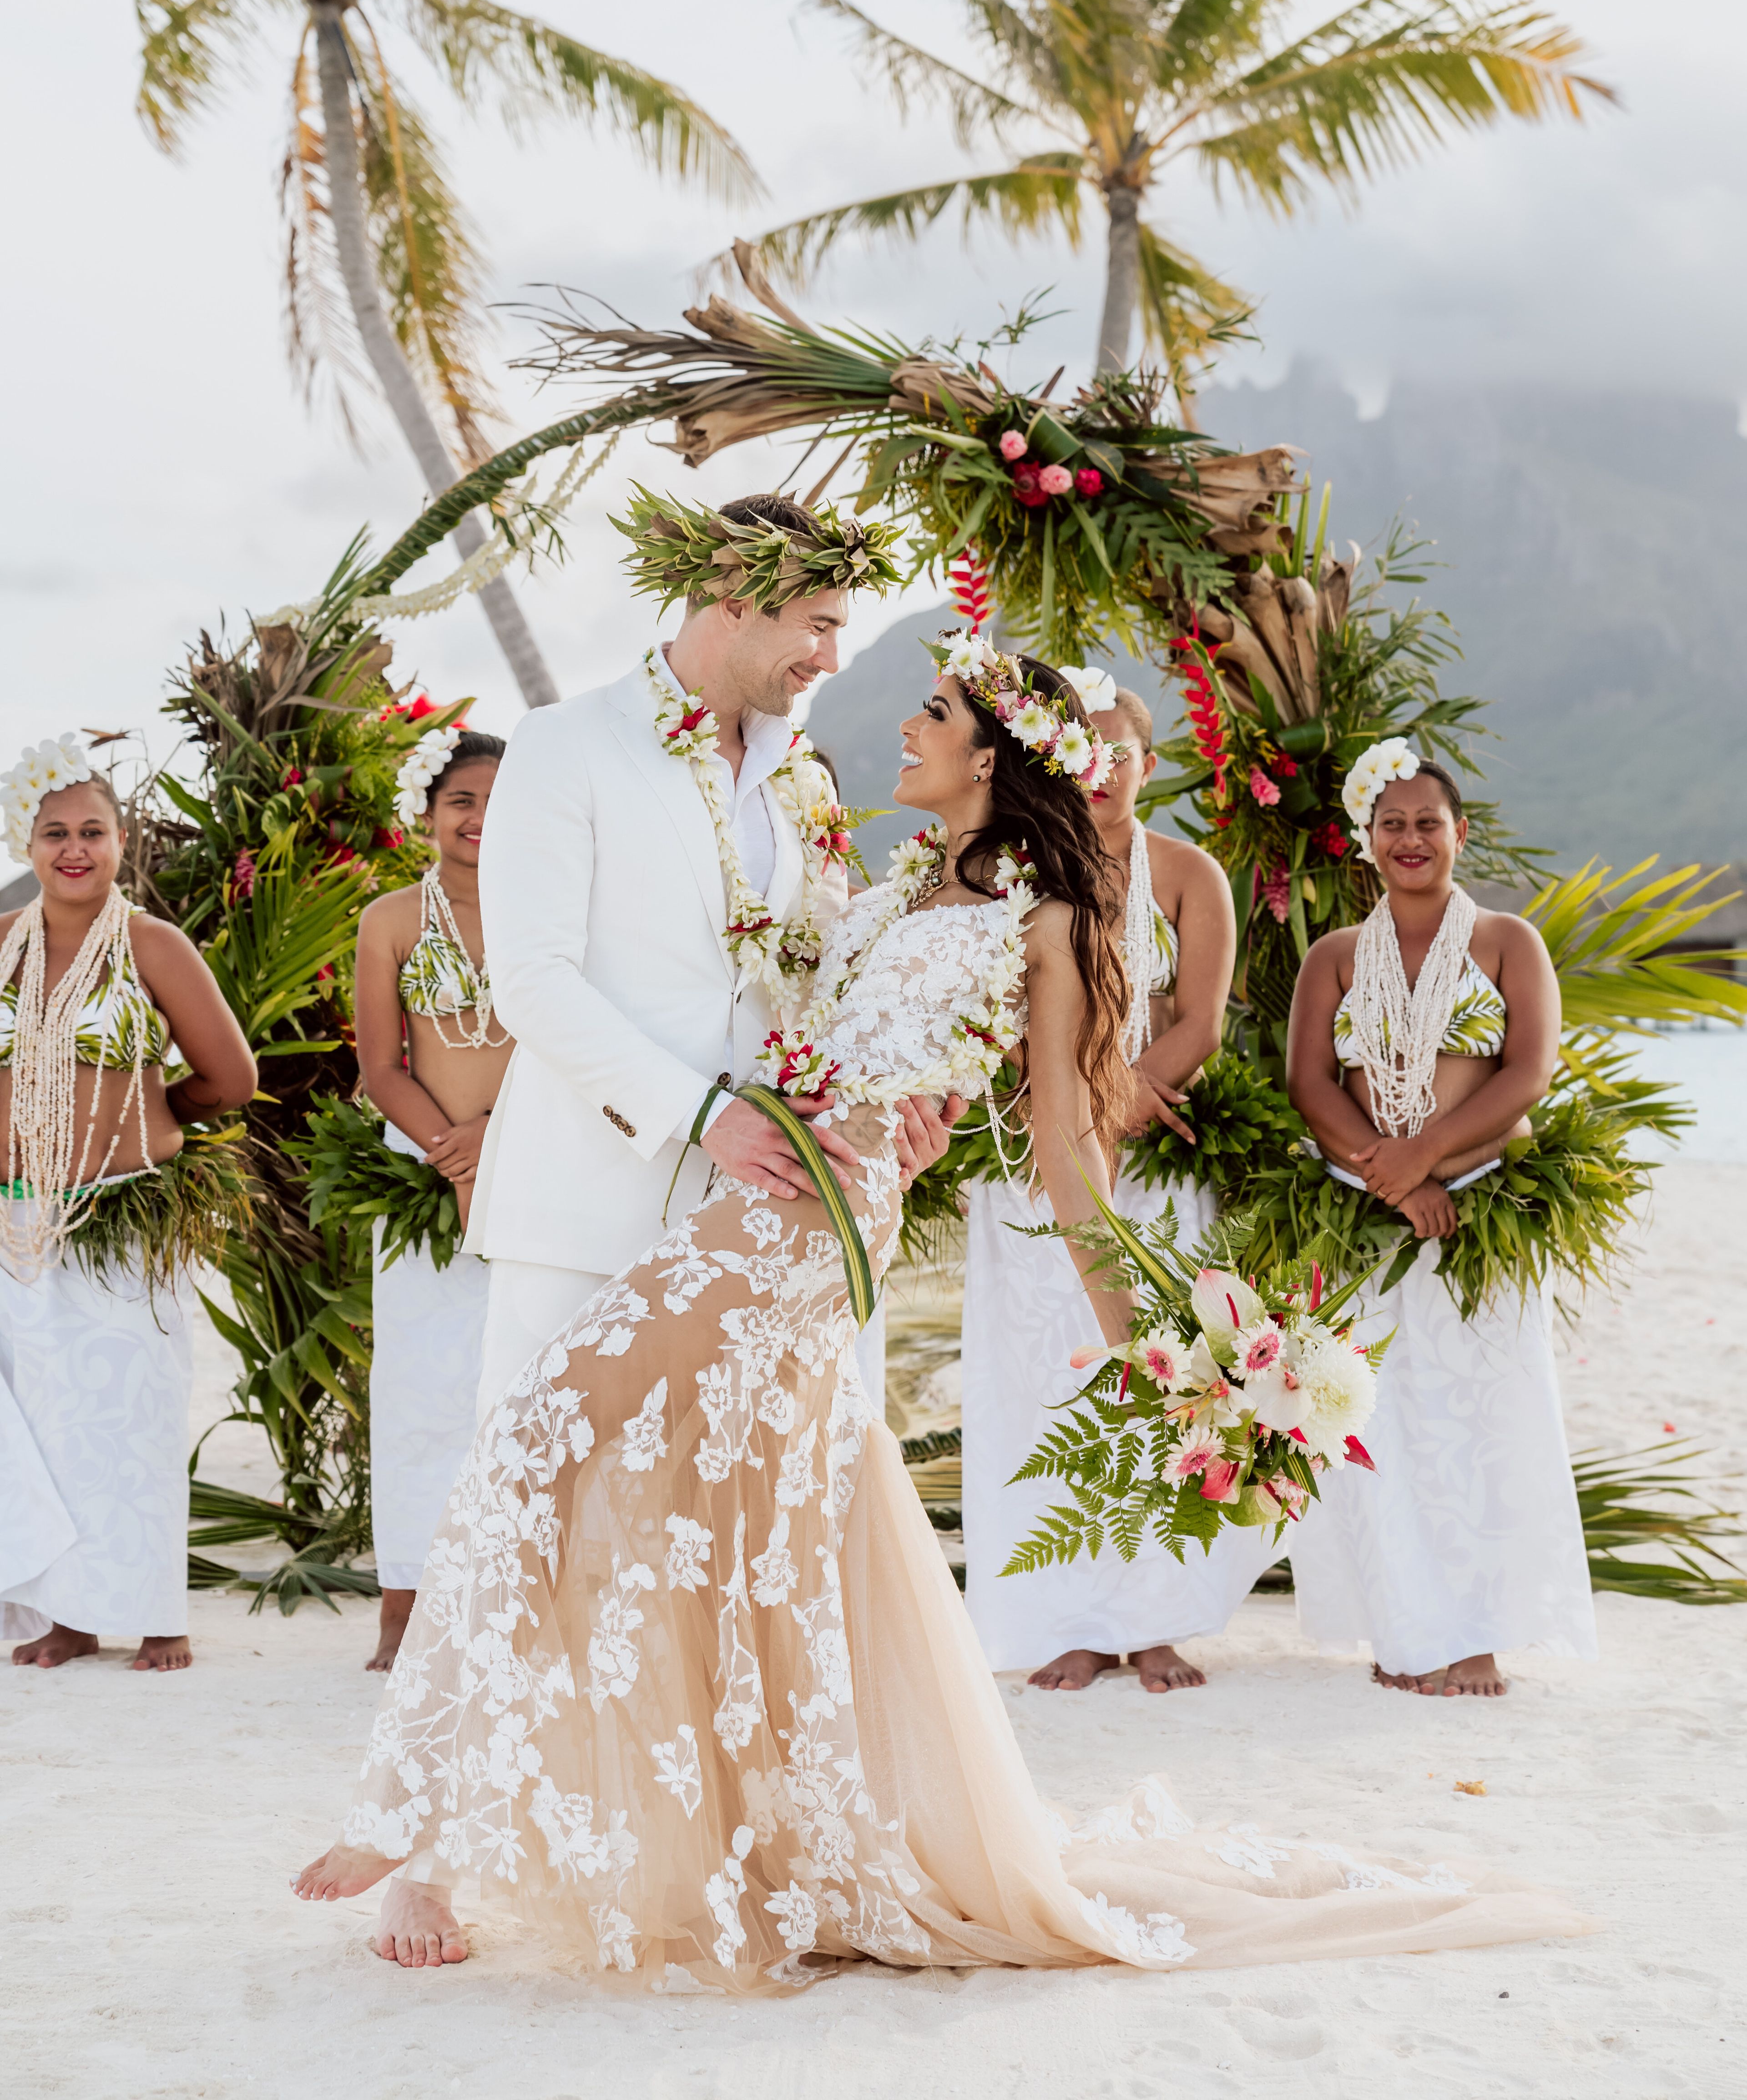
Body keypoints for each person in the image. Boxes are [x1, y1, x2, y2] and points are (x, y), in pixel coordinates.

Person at [293, 619, 1584, 1983]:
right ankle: (695, 1837)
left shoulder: (1053, 924)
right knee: (710, 1518)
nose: (904, 730)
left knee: (543, 1428)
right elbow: (781, 1020)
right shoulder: (902, 884)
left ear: (996, 758)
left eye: (936, 715)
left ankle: (410, 1817)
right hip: (755, 1197)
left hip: (807, 1229)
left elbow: (1072, 1162)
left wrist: (1168, 1360)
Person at [325, 489, 954, 1963]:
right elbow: (534, 979)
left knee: (739, 1533)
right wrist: (695, 1114)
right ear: (730, 596)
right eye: (814, 624)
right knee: (524, 1513)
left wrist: (891, 1106)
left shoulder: (802, 781)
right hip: (587, 1205)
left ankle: (747, 1840)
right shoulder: (569, 748)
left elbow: (817, 984)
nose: (827, 655)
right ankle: (432, 1851)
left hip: (766, 1217)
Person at [962, 673, 1276, 1693]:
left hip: (1153, 1153)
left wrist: (1132, 1091)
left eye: (1120, 752)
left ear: (1149, 761)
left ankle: (1154, 1619)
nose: (1101, 771)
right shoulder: (1014, 869)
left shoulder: (1188, 874)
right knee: (1045, 1382)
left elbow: (1202, 1016)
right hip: (1037, 1157)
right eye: (1077, 755)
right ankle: (1067, 1618)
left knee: (1150, 1373)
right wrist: (1071, 1099)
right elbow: (987, 1014)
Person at [1283, 743, 1594, 1697]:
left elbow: (1527, 1072)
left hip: (1479, 1211)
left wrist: (1431, 1158)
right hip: (1364, 1213)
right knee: (1383, 1422)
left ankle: (1476, 1638)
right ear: (1367, 843)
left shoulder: (1506, 941)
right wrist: (1393, 1176)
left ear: (1461, 834)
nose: (1411, 839)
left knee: (1485, 1420)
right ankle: (1407, 1627)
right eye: (1393, 824)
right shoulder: (1334, 957)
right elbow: (1308, 1083)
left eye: (1429, 823)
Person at [0, 744, 256, 1671]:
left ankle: (158, 1617)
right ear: (26, 843)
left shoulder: (152, 945)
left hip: (121, 1213)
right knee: (44, 1419)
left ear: (121, 843)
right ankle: (67, 1614)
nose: (76, 850)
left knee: (133, 1417)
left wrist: (154, 1118)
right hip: (17, 1223)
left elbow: (230, 1077)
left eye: (93, 833)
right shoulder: (2, 942)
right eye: (56, 833)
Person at [353, 729, 507, 1673]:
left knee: (526, 1378)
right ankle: (405, 1604)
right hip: (421, 1155)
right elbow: (379, 1065)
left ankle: (515, 1598)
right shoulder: (391, 919)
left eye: (497, 801)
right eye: (463, 801)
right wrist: (454, 1155)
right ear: (429, 811)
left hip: (535, 1155)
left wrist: (497, 1140)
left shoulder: (552, 910)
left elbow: (567, 1044)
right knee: (419, 1387)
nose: (480, 820)